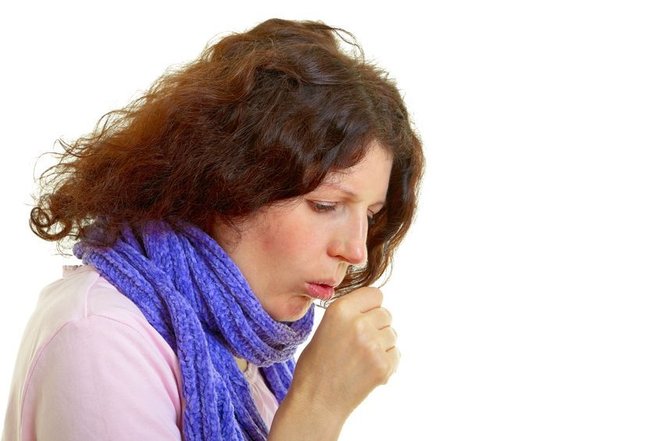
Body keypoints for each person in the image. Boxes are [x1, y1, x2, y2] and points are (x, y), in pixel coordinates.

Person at [2, 18, 423, 441]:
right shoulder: (102, 336)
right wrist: (318, 404)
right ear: (230, 183)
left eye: (370, 216)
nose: (357, 251)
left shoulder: (249, 354)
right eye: (325, 205)